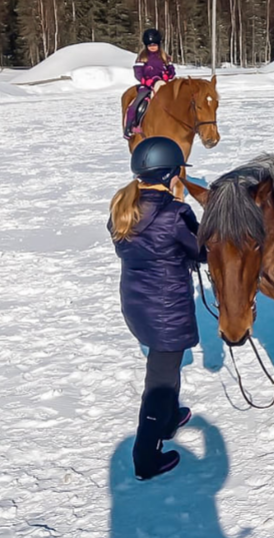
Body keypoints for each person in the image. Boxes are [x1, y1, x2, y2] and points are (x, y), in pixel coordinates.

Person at [108, 136, 204, 480]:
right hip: (167, 310)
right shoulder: (175, 213)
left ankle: (166, 420)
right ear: (170, 175)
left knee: (165, 364)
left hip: (138, 305)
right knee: (159, 383)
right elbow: (201, 251)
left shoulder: (122, 206)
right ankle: (146, 457)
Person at [124, 28, 177, 139]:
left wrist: (168, 74)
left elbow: (171, 69)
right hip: (147, 86)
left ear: (159, 45)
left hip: (163, 85)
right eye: (150, 45)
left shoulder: (164, 57)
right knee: (137, 104)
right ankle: (130, 126)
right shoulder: (142, 58)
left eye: (154, 45)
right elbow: (138, 73)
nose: (152, 47)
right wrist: (145, 80)